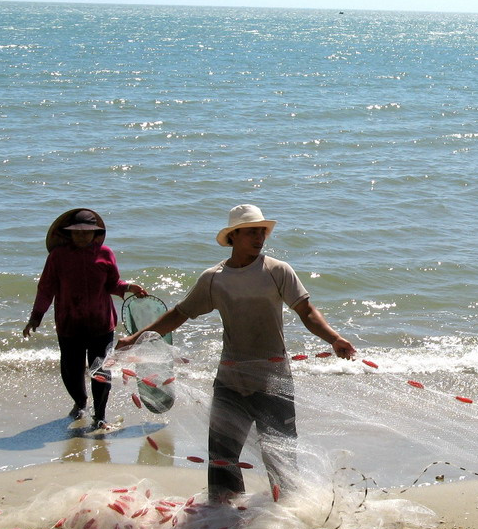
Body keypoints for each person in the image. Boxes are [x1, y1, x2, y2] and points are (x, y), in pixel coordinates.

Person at [117, 204, 356, 502]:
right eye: (251, 232)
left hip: (274, 378)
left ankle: (288, 511)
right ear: (234, 236)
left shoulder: (277, 270)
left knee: (280, 453)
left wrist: (334, 339)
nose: (259, 238)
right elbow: (180, 313)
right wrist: (136, 338)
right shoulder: (214, 278)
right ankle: (223, 514)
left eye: (262, 232)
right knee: (222, 455)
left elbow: (306, 311)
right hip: (231, 378)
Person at [23, 208, 148, 429]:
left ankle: (100, 415)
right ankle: (80, 402)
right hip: (69, 323)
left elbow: (112, 284)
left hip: (101, 323)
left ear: (96, 233)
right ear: (68, 233)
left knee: (101, 371)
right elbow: (46, 289)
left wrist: (129, 287)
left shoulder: (105, 253)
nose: (82, 236)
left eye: (87, 232)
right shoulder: (57, 257)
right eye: (76, 232)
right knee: (71, 370)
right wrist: (36, 317)